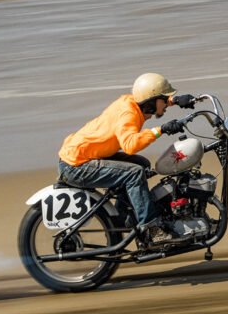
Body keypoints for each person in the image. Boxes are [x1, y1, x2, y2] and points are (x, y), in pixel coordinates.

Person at [57, 73, 195, 244]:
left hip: (86, 155)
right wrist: (161, 129)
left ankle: (126, 217)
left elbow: (151, 99)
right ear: (151, 101)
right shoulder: (129, 113)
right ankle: (152, 229)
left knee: (142, 164)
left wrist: (175, 101)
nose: (166, 103)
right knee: (134, 173)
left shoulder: (135, 102)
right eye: (164, 99)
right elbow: (130, 145)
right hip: (77, 165)